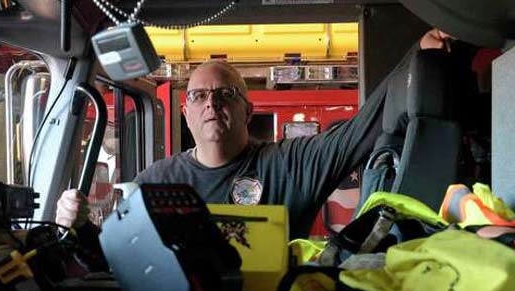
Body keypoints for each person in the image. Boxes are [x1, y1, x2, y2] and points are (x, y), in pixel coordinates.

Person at [57, 29, 453, 240]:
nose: (211, 103)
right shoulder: (155, 182)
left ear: (248, 110)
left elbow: (362, 128)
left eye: (225, 94)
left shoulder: (291, 163)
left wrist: (416, 55)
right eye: (198, 96)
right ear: (186, 112)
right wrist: (76, 226)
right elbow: (119, 250)